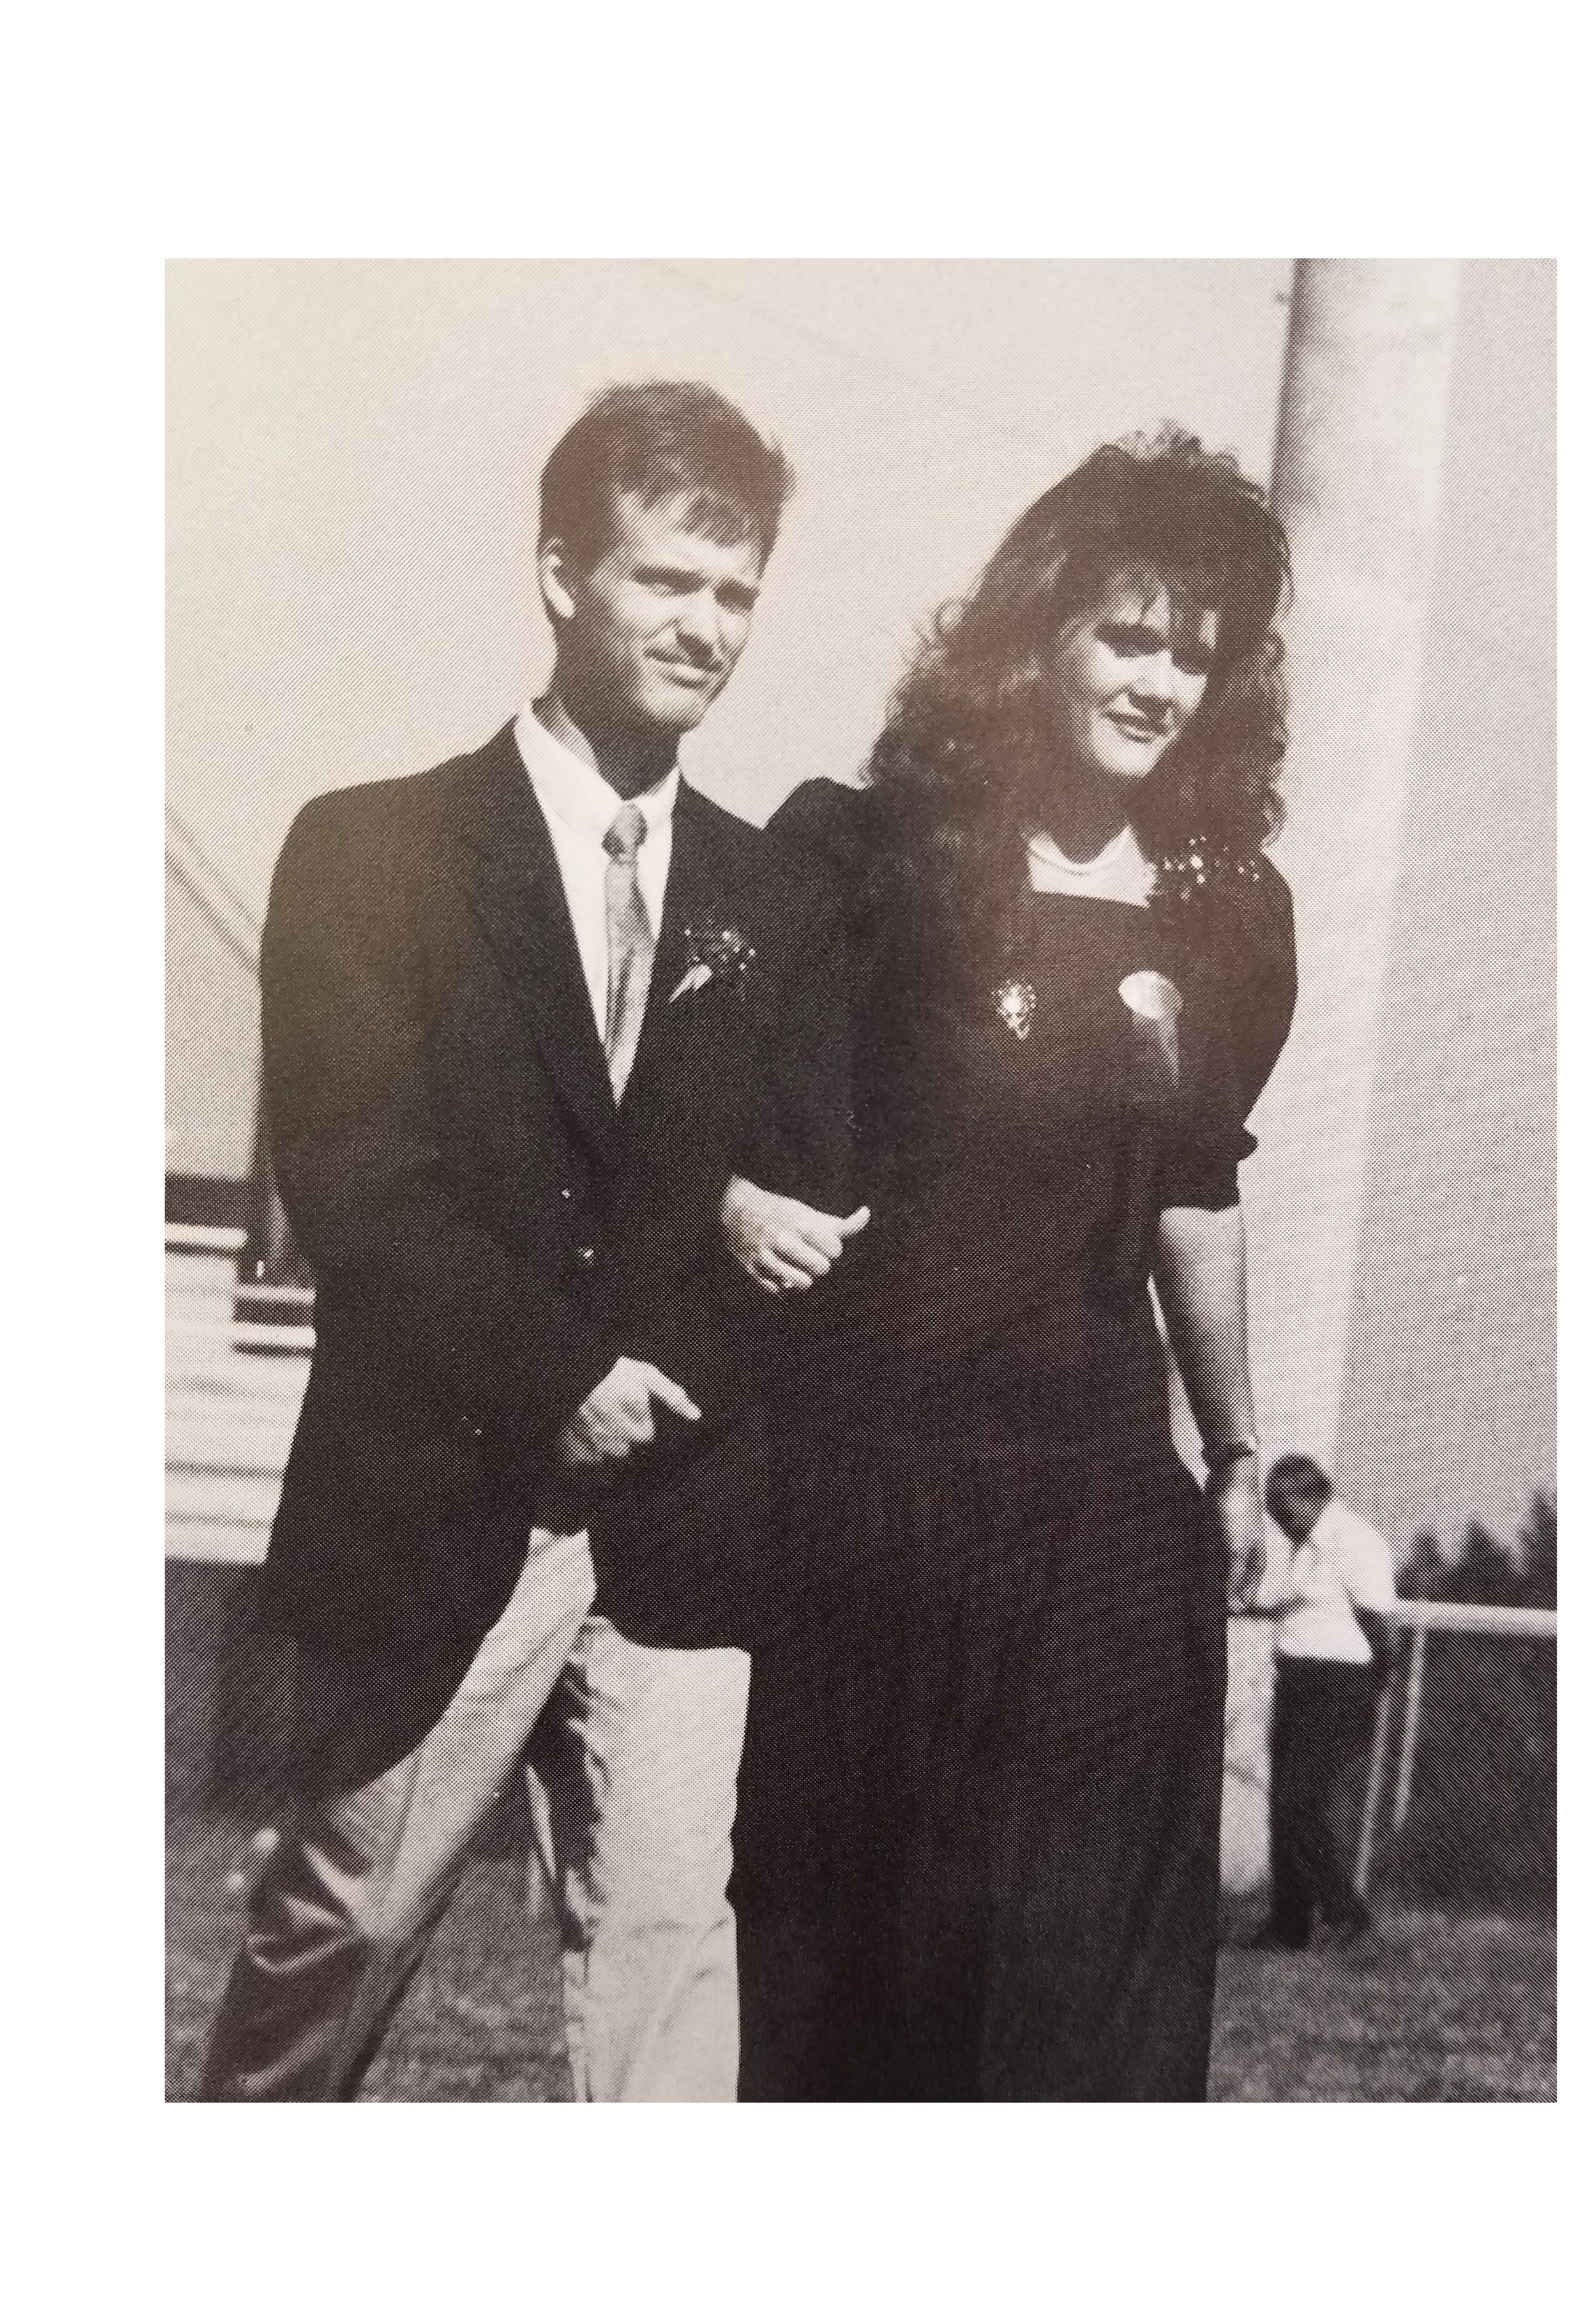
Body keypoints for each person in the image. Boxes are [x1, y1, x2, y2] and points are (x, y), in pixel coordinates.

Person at [199, 380, 860, 2102]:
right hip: (444, 1493)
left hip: (684, 1520)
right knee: (341, 1933)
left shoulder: (774, 899)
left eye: (736, 594)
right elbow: (361, 1179)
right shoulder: (373, 851)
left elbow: (799, 1198)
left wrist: (682, 1358)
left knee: (662, 1964)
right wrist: (559, 1377)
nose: (705, 628)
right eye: (666, 582)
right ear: (563, 574)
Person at [727, 425, 1298, 2101]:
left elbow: (1195, 1188)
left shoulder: (1228, 915)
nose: (1155, 682)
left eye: (1193, 654)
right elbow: (731, 1116)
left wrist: (1240, 1450)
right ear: (1038, 629)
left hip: (1092, 1523)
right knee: (845, 2014)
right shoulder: (860, 853)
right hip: (866, 1505)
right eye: (1126, 634)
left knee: (1061, 2026)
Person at [1247, 1454, 1399, 1951]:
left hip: (1339, 1686)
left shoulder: (1353, 1540)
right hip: (1298, 1682)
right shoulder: (1305, 1549)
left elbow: (1381, 1627)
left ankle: (1347, 1913)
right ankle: (1289, 1924)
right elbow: (1303, 1603)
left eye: (1281, 1506)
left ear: (1309, 1496)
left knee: (1298, 1801)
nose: (1275, 1517)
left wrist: (1367, 1693)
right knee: (1283, 1805)